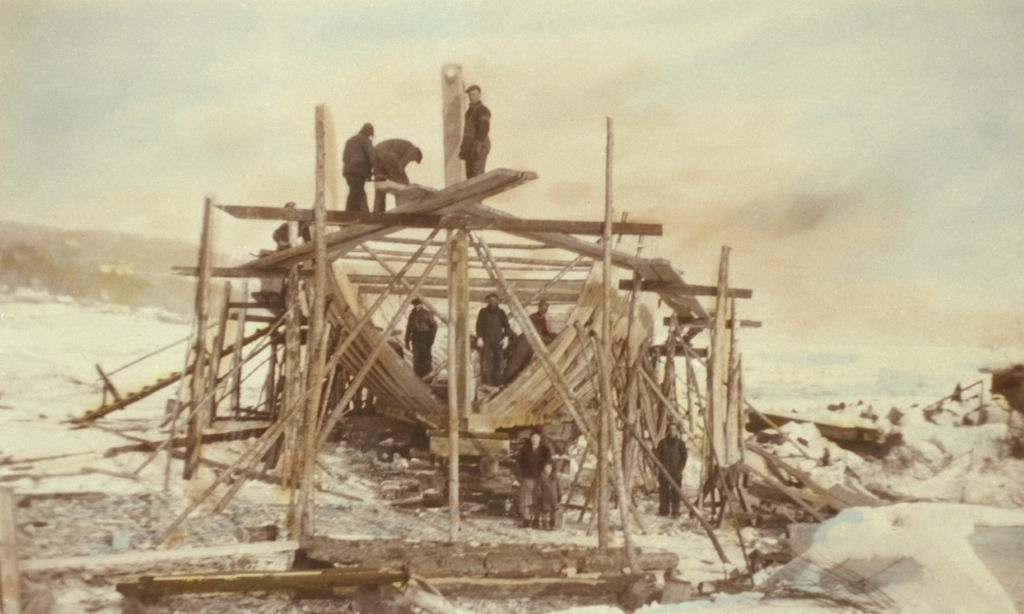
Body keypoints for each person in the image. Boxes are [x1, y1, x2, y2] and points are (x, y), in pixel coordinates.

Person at [516, 425, 552, 528]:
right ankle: (526, 520)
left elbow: (549, 462)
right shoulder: (525, 449)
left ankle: (536, 520)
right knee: (526, 499)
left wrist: (545, 474)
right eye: (532, 437)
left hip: (539, 479)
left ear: (540, 438)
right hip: (527, 478)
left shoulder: (545, 449)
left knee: (537, 499)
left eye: (536, 437)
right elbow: (518, 461)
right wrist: (520, 474)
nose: (534, 439)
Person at [373, 139, 422, 213]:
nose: (412, 160)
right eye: (414, 160)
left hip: (376, 152)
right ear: (418, 155)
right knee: (402, 181)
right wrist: (396, 176)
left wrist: (390, 173)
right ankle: (404, 210)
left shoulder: (406, 146)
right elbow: (401, 166)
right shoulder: (414, 150)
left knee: (380, 185)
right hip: (388, 153)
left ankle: (377, 212)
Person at [475, 293, 511, 386]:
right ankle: (486, 382)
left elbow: (507, 326)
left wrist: (506, 337)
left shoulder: (501, 312)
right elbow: (479, 325)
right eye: (490, 300)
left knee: (498, 360)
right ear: (488, 301)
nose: (493, 302)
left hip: (498, 339)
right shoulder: (483, 312)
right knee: (486, 361)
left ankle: (497, 382)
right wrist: (479, 337)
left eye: (495, 300)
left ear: (498, 301)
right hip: (486, 339)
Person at [656, 423, 688, 517]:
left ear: (677, 431)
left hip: (676, 472)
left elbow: (684, 457)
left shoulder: (680, 443)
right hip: (664, 471)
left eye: (674, 429)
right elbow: (657, 455)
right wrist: (658, 467)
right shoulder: (662, 443)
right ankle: (664, 511)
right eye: (670, 429)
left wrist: (680, 470)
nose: (672, 431)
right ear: (668, 430)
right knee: (664, 491)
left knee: (676, 492)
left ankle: (676, 511)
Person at [459, 85, 491, 179]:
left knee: (477, 176)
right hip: (469, 149)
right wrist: (464, 148)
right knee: (470, 179)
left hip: (478, 147)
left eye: (474, 94)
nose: (471, 97)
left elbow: (484, 128)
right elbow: (467, 132)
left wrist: (477, 145)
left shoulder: (483, 110)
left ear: (479, 95)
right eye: (470, 95)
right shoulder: (469, 112)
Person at [342, 123, 375, 212]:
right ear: (369, 132)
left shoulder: (350, 140)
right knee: (355, 192)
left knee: (358, 191)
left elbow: (344, 158)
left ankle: (364, 212)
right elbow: (372, 157)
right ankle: (348, 214)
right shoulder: (365, 140)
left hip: (348, 171)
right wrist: (376, 170)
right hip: (358, 171)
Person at [405, 298, 437, 378]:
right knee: (416, 357)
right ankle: (417, 377)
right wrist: (406, 341)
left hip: (425, 337)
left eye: (418, 304)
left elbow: (434, 326)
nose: (416, 306)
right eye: (415, 305)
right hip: (415, 337)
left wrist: (431, 339)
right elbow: (409, 327)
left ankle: (428, 377)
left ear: (421, 304)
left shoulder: (427, 313)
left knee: (426, 358)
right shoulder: (412, 314)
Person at [537, 460, 562, 531]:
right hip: (544, 497)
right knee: (544, 511)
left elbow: (559, 487)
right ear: (543, 468)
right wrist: (539, 496)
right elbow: (538, 487)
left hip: (553, 497)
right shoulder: (541, 477)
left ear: (552, 468)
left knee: (553, 513)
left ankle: (552, 525)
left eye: (549, 467)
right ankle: (544, 525)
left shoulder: (555, 477)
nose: (547, 469)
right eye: (546, 467)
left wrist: (560, 495)